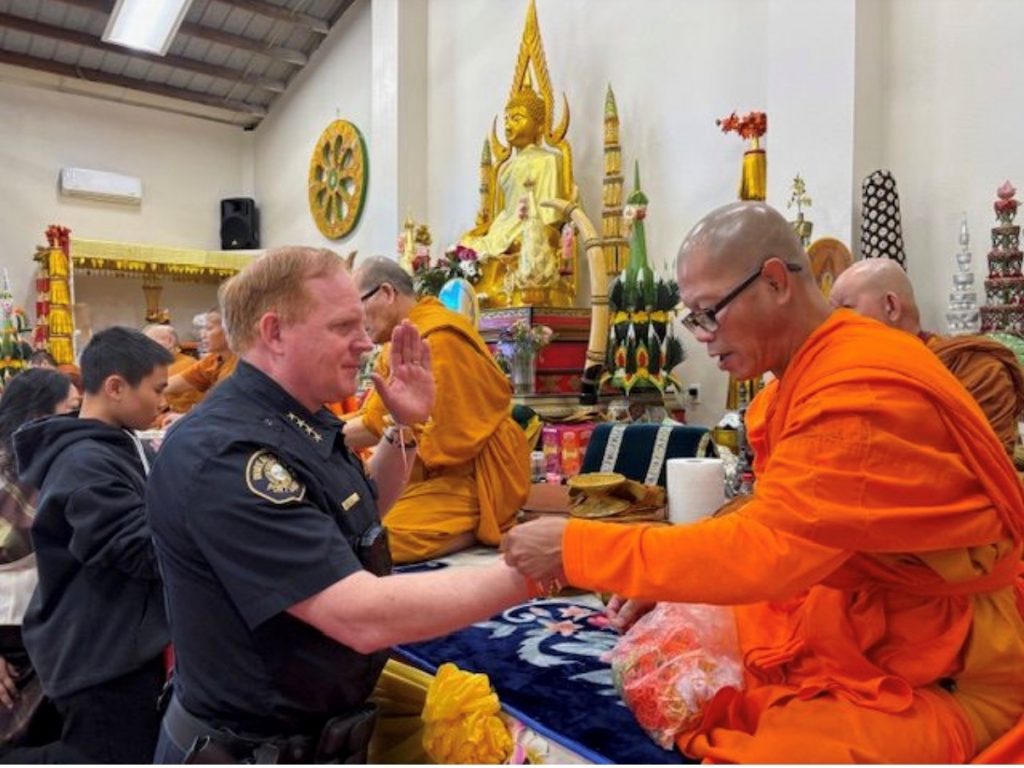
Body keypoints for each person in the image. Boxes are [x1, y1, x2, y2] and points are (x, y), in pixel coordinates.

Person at [503, 201, 1024, 763]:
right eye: (692, 318)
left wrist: (576, 547)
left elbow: (766, 550)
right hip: (848, 610)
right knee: (667, 657)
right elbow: (772, 516)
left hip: (949, 663)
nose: (700, 335)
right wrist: (671, 577)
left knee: (766, 749)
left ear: (775, 281)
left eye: (709, 312)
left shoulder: (860, 387)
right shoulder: (801, 377)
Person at [147, 246, 532, 764]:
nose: (365, 342)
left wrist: (405, 427)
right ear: (275, 332)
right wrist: (539, 569)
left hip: (314, 735)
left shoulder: (297, 416)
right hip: (248, 749)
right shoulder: (226, 453)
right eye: (343, 326)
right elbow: (359, 616)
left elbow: (362, 509)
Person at [7, 327, 172, 763]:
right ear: (116, 387)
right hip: (101, 653)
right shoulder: (85, 463)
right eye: (157, 389)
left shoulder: (118, 447)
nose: (164, 401)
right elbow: (136, 547)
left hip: (117, 639)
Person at [346, 256, 530, 563]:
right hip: (429, 472)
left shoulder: (438, 336)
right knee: (351, 518)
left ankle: (479, 525)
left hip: (473, 474)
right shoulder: (402, 340)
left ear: (387, 293)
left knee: (377, 537)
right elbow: (378, 416)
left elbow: (385, 426)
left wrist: (312, 436)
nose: (356, 322)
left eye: (357, 307)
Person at [829, 257, 1024, 455]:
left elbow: (988, 469)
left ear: (891, 306)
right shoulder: (848, 377)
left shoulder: (976, 370)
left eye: (845, 309)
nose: (836, 324)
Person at [0, 369, 78, 749]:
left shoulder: (65, 470)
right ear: (37, 419)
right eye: (73, 410)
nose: (82, 421)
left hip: (54, 647)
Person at [460, 87, 562, 259]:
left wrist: (531, 227)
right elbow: (504, 214)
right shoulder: (505, 169)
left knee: (526, 241)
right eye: (506, 119)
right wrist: (481, 231)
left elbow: (551, 216)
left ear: (539, 126)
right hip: (504, 230)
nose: (508, 125)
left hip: (531, 228)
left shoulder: (549, 160)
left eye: (517, 119)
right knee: (465, 243)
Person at [162, 309, 236, 402]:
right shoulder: (214, 359)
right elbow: (174, 383)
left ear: (229, 330)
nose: (202, 335)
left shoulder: (241, 364)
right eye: (202, 329)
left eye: (209, 328)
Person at [144, 323, 202, 415]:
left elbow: (181, 407)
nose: (145, 349)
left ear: (169, 341)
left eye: (149, 343)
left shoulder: (188, 365)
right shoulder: (156, 366)